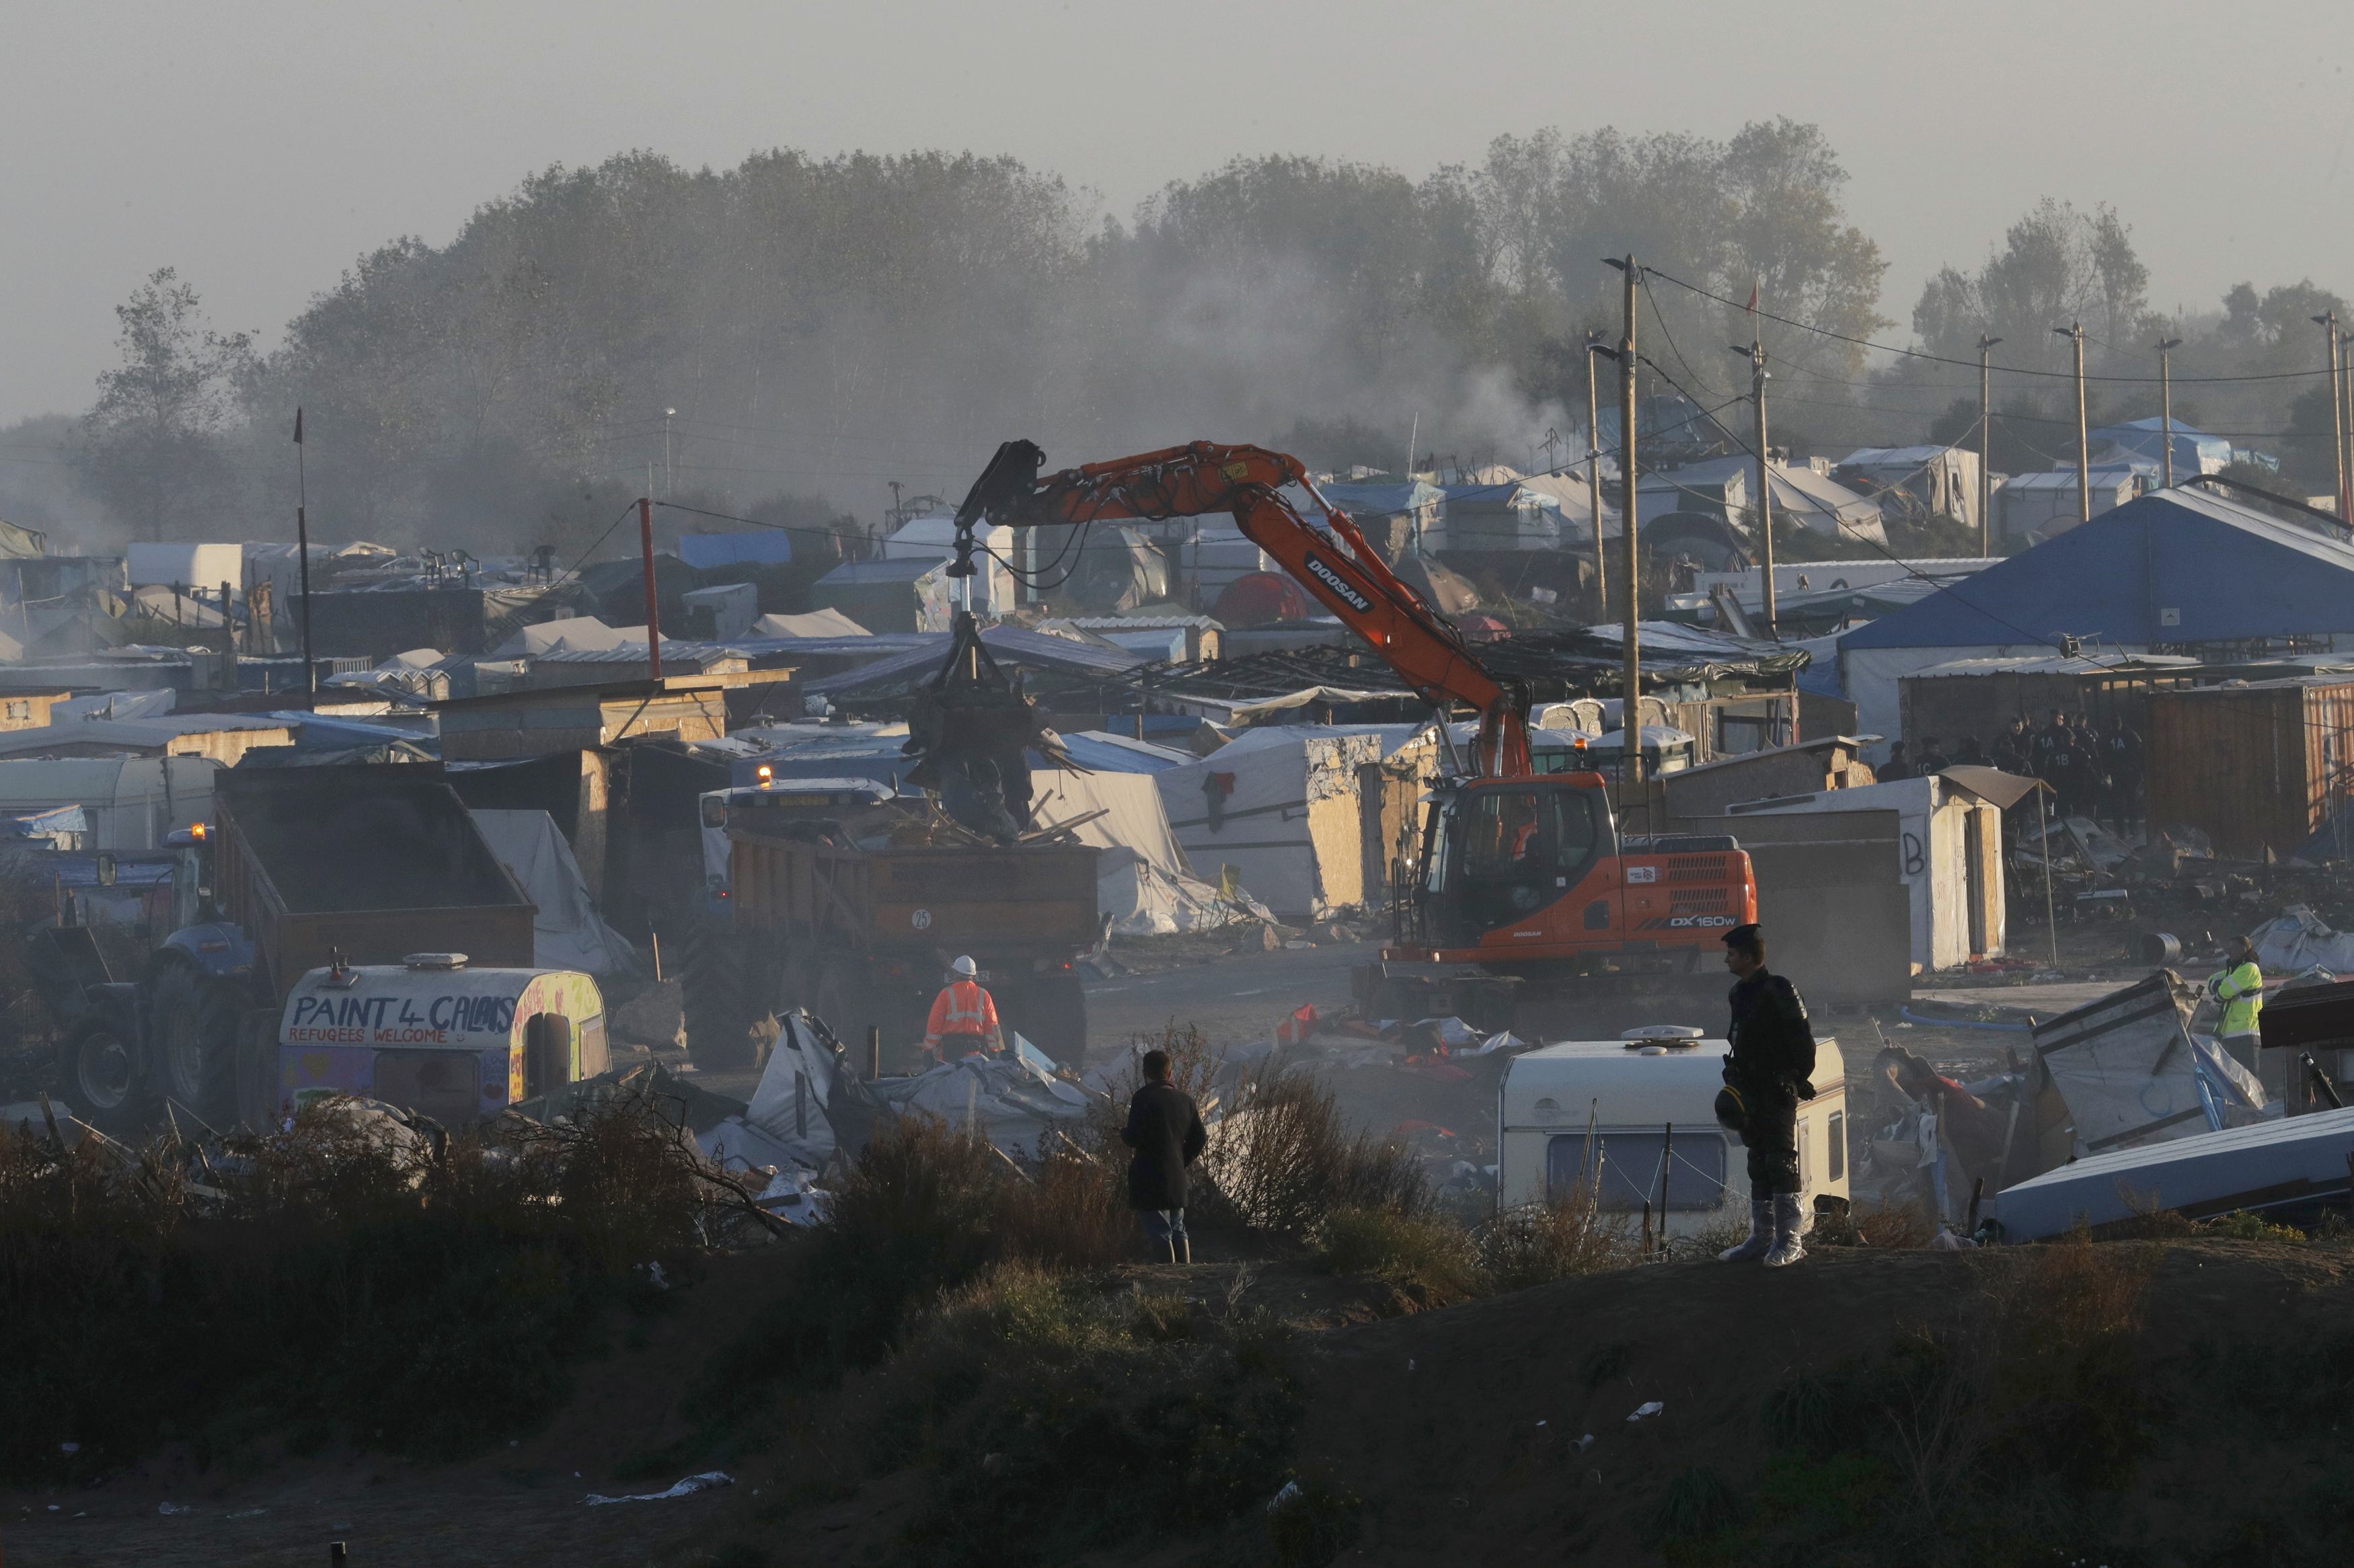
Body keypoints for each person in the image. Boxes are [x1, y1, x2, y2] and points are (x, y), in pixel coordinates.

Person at [1715, 923, 1819, 1267]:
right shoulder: (1737, 993)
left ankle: (1790, 1240)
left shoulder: (1780, 990)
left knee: (1779, 1160)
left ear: (1748, 956)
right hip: (1750, 1089)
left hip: (1777, 1090)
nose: (1726, 959)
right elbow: (1740, 1041)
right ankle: (1760, 1238)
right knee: (1757, 1162)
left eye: (1732, 954)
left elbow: (1804, 1045)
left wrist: (1793, 1079)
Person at [1121, 1048, 1208, 1262]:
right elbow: (1200, 1138)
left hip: (1149, 1176)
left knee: (1159, 1229)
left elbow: (1134, 1138)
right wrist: (1182, 1159)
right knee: (1178, 1227)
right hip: (1176, 1176)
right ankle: (1185, 1274)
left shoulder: (1142, 1099)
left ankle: (1168, 1280)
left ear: (1145, 1073)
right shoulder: (1186, 1101)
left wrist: (1124, 1134)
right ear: (1170, 1074)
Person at [922, 954, 1002, 1058]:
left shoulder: (946, 994)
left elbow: (934, 1024)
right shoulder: (984, 995)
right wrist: (994, 1052)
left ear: (956, 974)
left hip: (951, 1053)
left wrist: (928, 1050)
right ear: (973, 975)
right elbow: (992, 1025)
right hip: (976, 1054)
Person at [2210, 935, 2265, 1073]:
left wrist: (2221, 986)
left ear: (2244, 948)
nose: (2229, 952)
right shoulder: (2234, 970)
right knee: (2233, 1080)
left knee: (2249, 1080)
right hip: (2230, 1035)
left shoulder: (2250, 969)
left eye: (2233, 949)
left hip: (2246, 1035)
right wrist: (2221, 985)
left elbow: (2223, 993)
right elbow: (2211, 980)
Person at [2102, 715, 2147, 837]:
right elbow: (2140, 752)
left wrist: (2106, 773)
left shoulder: (2107, 738)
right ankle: (2133, 827)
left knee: (2117, 804)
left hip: (2115, 775)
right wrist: (2140, 772)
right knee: (2132, 802)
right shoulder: (2130, 735)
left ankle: (2121, 830)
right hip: (2130, 774)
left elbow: (2102, 756)